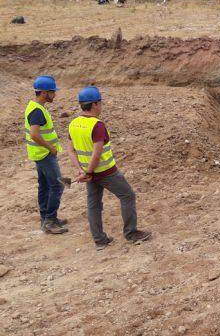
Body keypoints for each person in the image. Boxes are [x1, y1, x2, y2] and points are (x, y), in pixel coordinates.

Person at [66, 86, 151, 250]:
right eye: (100, 103)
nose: (101, 106)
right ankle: (131, 233)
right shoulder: (97, 126)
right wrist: (89, 172)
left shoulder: (74, 123)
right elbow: (97, 154)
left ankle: (99, 240)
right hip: (106, 172)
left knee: (94, 205)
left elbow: (70, 150)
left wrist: (81, 171)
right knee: (127, 196)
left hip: (88, 174)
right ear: (95, 104)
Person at [24, 75, 68, 234]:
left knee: (44, 186)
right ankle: (50, 220)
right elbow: (35, 134)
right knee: (57, 185)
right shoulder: (37, 111)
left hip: (39, 154)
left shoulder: (35, 107)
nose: (54, 95)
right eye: (52, 92)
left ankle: (46, 218)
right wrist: (51, 148)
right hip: (44, 154)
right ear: (44, 93)